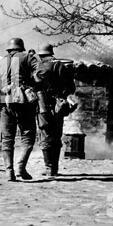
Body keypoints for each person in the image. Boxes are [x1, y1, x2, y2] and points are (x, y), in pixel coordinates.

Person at [0, 38, 38, 181]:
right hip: (23, 101)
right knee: (28, 136)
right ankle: (21, 167)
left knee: (7, 139)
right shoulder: (28, 57)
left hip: (4, 101)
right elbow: (40, 76)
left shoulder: (0, 61)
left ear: (9, 49)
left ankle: (9, 172)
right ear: (21, 47)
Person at [34, 44, 76, 177]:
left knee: (45, 134)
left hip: (42, 106)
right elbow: (71, 87)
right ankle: (54, 168)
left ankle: (48, 167)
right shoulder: (60, 66)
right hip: (58, 106)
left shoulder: (36, 67)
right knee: (56, 135)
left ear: (40, 55)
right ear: (51, 53)